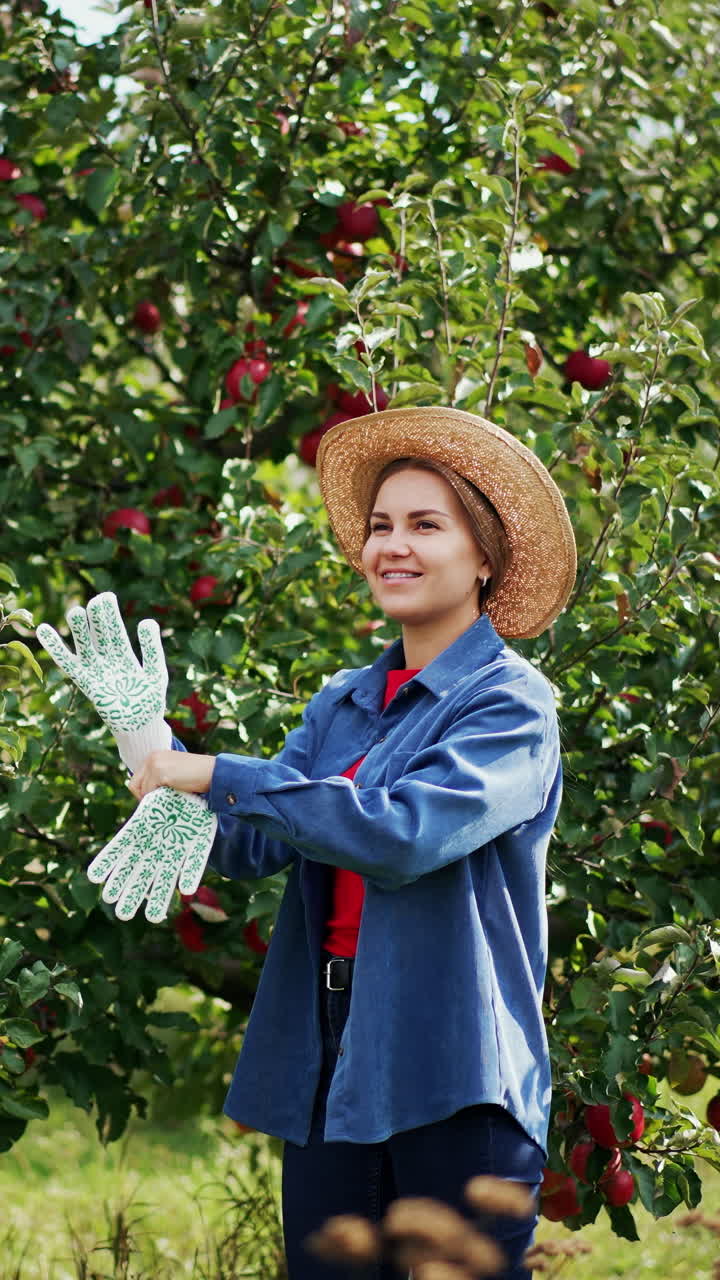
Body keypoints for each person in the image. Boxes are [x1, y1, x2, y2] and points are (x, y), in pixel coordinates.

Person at [124, 406, 577, 1279]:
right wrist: (147, 751)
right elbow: (255, 844)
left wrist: (214, 770)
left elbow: (405, 834)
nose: (392, 546)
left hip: (452, 1060)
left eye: (424, 525)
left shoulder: (510, 705)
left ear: (484, 557)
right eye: (379, 527)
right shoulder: (344, 702)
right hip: (333, 1053)